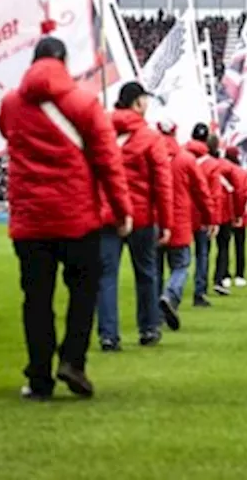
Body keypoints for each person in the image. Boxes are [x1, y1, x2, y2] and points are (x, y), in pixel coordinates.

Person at [0, 37, 133, 401]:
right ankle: (73, 360)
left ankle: (39, 377)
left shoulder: (11, 104)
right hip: (77, 219)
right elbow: (108, 163)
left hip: (30, 222)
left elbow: (5, 132)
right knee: (83, 292)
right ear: (64, 62)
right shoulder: (85, 103)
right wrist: (122, 212)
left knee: (36, 300)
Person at [97, 82, 174, 350]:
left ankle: (108, 334)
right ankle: (148, 328)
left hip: (107, 216)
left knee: (106, 276)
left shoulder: (102, 131)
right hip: (141, 216)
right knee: (146, 274)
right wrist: (167, 223)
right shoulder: (150, 138)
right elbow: (162, 184)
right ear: (138, 103)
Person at [156, 120, 205, 331]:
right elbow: (201, 191)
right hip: (180, 222)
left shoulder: (151, 155)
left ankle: (153, 315)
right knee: (181, 265)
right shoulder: (186, 160)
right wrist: (210, 217)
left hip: (154, 221)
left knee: (153, 270)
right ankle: (170, 295)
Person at [185, 124, 216, 307]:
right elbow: (212, 194)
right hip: (202, 214)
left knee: (180, 257)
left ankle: (172, 291)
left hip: (182, 213)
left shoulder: (180, 157)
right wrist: (213, 218)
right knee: (202, 254)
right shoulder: (211, 164)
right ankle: (199, 292)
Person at [203, 135, 235, 296]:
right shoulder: (227, 167)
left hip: (205, 211)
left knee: (204, 250)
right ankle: (219, 278)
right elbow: (234, 190)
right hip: (224, 212)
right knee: (223, 247)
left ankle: (202, 282)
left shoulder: (201, 164)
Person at [223, 146, 247, 286]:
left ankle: (224, 274)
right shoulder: (243, 173)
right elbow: (246, 194)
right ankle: (239, 274)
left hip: (224, 213)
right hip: (237, 212)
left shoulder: (220, 170)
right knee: (239, 244)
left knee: (223, 245)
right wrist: (240, 213)